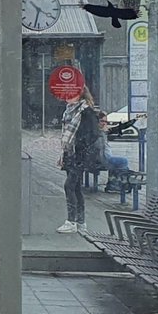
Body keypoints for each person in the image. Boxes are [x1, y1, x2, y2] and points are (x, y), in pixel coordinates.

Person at [57, 87, 99, 234]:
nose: (68, 96)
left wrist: (81, 146)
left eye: (72, 93)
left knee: (69, 186)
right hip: (70, 153)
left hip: (79, 155)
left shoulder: (86, 111)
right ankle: (80, 222)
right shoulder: (69, 110)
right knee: (75, 187)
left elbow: (93, 134)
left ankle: (72, 221)